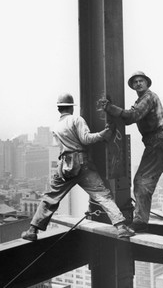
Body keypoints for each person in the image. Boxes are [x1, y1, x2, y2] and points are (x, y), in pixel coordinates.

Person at [21, 92, 135, 241]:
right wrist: (103, 134)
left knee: (50, 197)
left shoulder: (56, 126)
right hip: (82, 164)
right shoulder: (76, 119)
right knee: (102, 195)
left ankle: (32, 230)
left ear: (59, 109)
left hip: (64, 166)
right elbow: (86, 139)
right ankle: (121, 227)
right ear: (71, 108)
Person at [98, 71, 163, 232]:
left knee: (141, 182)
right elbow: (128, 118)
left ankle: (140, 221)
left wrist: (109, 107)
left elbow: (132, 116)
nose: (138, 83)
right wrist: (115, 111)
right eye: (135, 82)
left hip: (156, 142)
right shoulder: (143, 99)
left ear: (147, 83)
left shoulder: (147, 97)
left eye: (141, 81)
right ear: (133, 86)